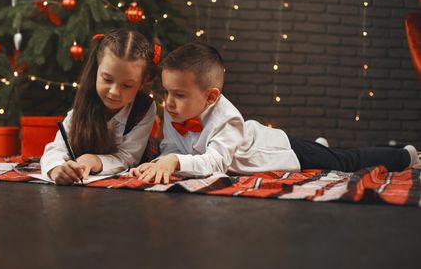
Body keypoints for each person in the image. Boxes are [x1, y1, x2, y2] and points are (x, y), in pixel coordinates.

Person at [129, 42, 420, 184]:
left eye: (179, 95)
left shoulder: (227, 118)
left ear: (211, 97)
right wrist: (159, 162)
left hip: (277, 148)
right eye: (167, 92)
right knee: (323, 153)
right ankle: (318, 146)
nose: (169, 102)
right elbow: (170, 147)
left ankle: (406, 155)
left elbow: (216, 163)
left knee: (345, 161)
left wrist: (173, 161)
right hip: (258, 141)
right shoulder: (174, 111)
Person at [41, 28, 160, 185]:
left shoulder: (145, 108)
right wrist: (56, 169)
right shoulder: (84, 103)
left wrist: (94, 160)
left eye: (127, 85)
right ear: (96, 70)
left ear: (142, 83)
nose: (114, 92)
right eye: (107, 79)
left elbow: (128, 157)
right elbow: (57, 148)